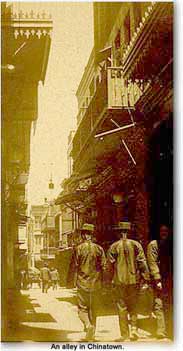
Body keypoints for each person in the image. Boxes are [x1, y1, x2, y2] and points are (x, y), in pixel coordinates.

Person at [107, 221, 150, 341]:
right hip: (134, 280)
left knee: (121, 307)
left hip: (119, 281)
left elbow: (109, 266)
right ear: (129, 232)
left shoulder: (114, 246)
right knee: (134, 305)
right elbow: (142, 262)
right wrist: (146, 278)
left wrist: (109, 281)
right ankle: (134, 330)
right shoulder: (136, 245)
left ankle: (124, 334)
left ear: (118, 233)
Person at [75, 223, 106, 341]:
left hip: (82, 283)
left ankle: (88, 326)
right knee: (94, 309)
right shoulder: (99, 249)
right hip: (96, 284)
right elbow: (104, 266)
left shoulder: (78, 248)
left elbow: (75, 266)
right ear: (92, 235)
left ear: (83, 235)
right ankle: (91, 336)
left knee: (82, 309)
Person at [147, 225, 173, 339]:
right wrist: (157, 279)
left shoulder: (171, 243)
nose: (164, 233)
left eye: (166, 231)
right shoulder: (153, 245)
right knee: (159, 304)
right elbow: (152, 262)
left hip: (170, 278)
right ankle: (161, 330)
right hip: (161, 279)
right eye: (162, 231)